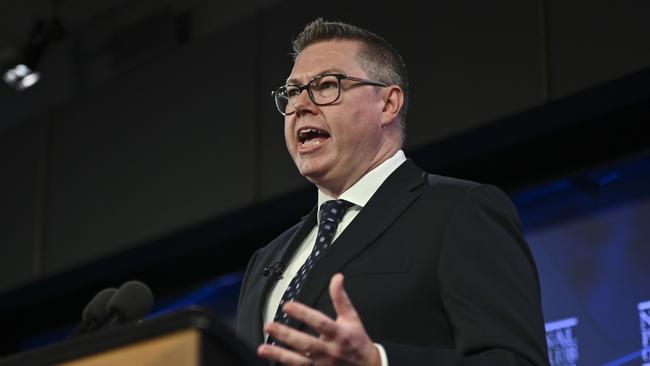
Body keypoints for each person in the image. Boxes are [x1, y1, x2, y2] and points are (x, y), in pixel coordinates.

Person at [234, 19, 549, 366]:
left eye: (326, 85)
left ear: (387, 104)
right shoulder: (265, 259)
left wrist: (377, 361)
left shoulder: (459, 211)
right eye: (293, 92)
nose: (301, 106)